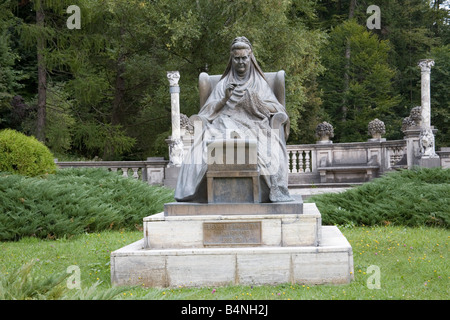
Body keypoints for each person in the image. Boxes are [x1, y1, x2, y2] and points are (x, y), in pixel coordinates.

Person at [174, 36, 293, 203]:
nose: (241, 62)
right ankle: (198, 192)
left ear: (250, 57)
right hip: (224, 122)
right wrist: (225, 99)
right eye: (236, 59)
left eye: (244, 58)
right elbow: (207, 110)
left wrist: (252, 98)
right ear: (232, 59)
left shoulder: (259, 83)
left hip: (254, 123)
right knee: (202, 146)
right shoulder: (223, 83)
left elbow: (277, 109)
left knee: (268, 147)